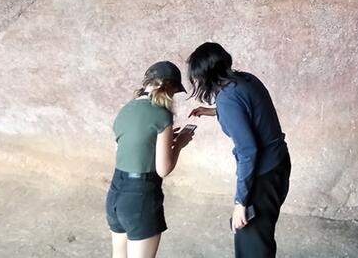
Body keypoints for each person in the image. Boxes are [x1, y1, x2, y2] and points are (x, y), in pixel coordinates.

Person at [188, 42, 290, 257]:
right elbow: (250, 109)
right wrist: (214, 111)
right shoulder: (246, 79)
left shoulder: (227, 99)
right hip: (279, 164)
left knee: (252, 246)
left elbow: (248, 151)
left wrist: (240, 202)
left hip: (262, 177)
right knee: (261, 237)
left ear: (205, 75)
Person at [106, 61, 195, 258]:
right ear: (170, 88)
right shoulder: (162, 115)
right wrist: (179, 143)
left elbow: (127, 149)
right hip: (141, 197)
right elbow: (163, 169)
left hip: (115, 194)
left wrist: (160, 142)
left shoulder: (125, 109)